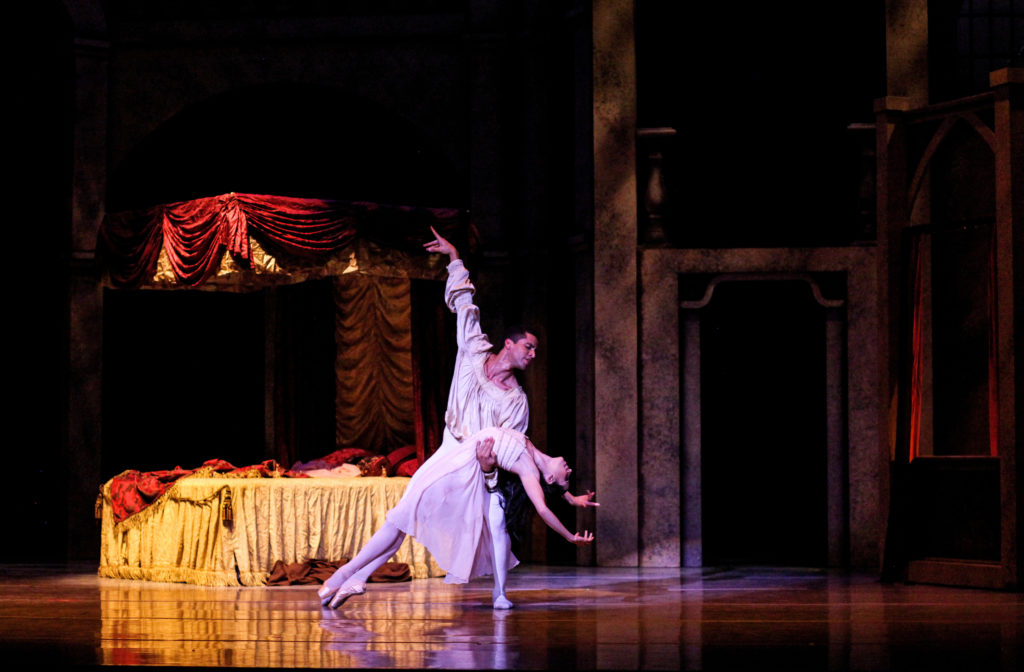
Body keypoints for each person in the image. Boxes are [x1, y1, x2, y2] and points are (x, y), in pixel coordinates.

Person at [316, 426, 593, 609]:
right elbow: (554, 491)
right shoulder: (535, 455)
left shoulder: (530, 470)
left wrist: (569, 536)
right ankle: (356, 578)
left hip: (457, 476)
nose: (570, 470)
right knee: (399, 524)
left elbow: (543, 508)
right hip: (452, 464)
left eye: (567, 477)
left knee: (398, 521)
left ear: (549, 478)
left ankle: (345, 575)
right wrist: (571, 497)